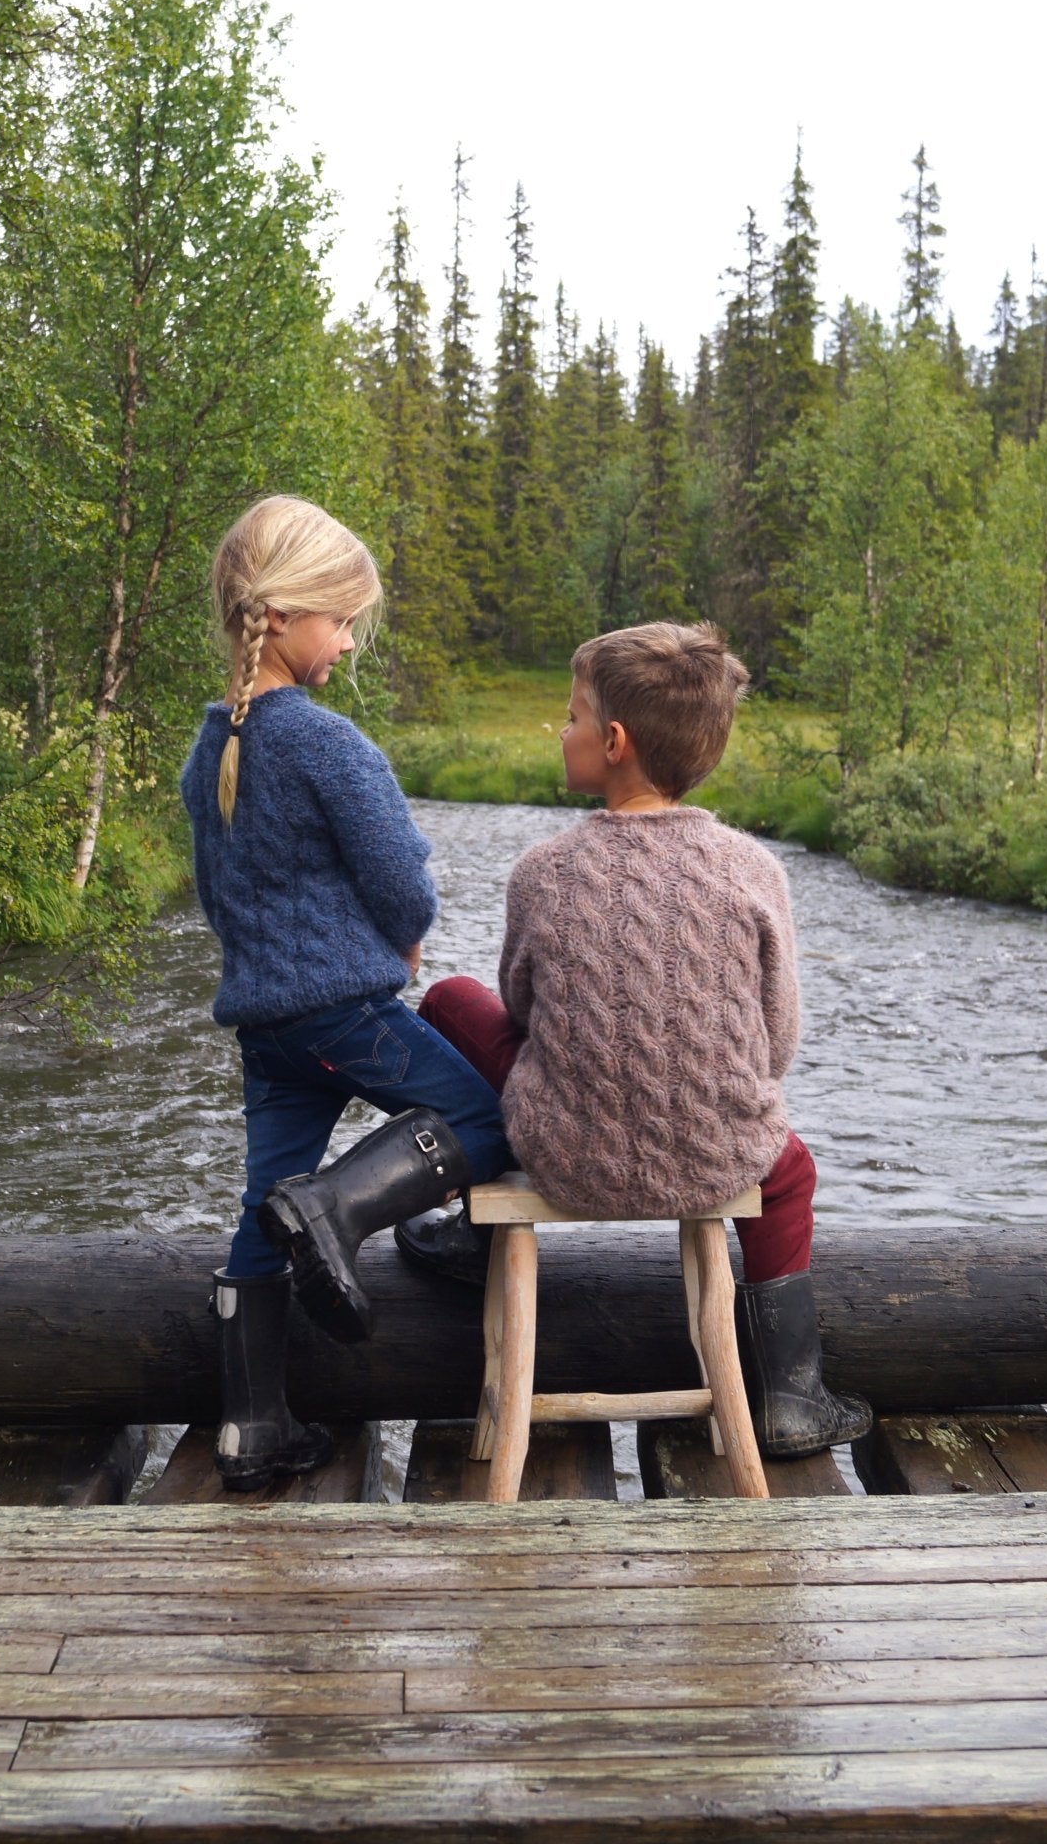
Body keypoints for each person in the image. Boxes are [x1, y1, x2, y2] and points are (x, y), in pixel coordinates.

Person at [396, 621, 871, 1459]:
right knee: (789, 1171)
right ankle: (793, 1397)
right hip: (718, 1147)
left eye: (572, 716)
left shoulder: (542, 870)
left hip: (563, 1147)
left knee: (448, 998)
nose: (562, 730)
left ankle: (472, 1228)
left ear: (613, 743)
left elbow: (519, 1004)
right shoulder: (753, 868)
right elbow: (777, 1039)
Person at [180, 494, 512, 1490]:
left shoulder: (216, 745)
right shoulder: (324, 741)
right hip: (341, 1014)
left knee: (257, 1205)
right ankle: (337, 1208)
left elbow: (217, 887)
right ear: (282, 616)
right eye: (341, 617)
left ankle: (250, 1429)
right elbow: (402, 879)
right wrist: (400, 932)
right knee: (488, 1118)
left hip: (266, 1023)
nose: (350, 637)